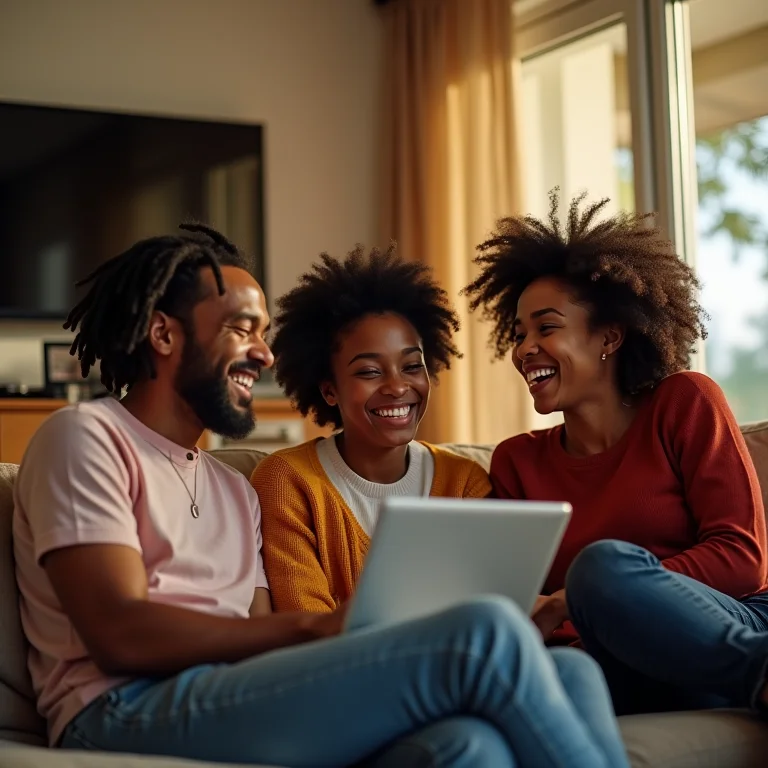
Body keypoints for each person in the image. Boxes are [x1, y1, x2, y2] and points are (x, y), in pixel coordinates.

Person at [12, 223, 629, 768]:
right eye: (240, 329)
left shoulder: (233, 489)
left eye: (264, 332)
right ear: (162, 334)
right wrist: (319, 629)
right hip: (117, 708)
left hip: (229, 696)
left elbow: (254, 639)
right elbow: (118, 632)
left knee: (494, 729)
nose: (264, 352)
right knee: (485, 631)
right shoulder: (87, 436)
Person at [463, 190, 768, 715]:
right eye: (518, 334)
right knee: (561, 672)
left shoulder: (684, 401)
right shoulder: (516, 462)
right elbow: (522, 605)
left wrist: (573, 598)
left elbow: (742, 560)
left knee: (601, 568)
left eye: (547, 327)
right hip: (614, 656)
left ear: (609, 336)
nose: (523, 349)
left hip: (726, 619)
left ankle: (756, 670)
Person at [251, 245, 490, 613]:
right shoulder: (287, 482)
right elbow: (308, 627)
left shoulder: (465, 483)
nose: (397, 387)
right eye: (369, 372)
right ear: (329, 389)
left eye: (412, 366)